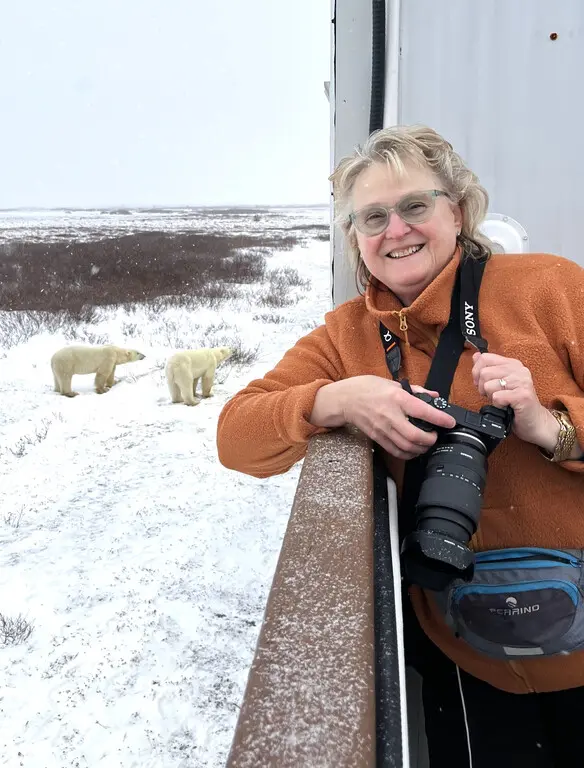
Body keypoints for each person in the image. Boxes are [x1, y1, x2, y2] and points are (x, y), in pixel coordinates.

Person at [216, 124, 584, 767]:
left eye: (415, 205)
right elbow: (236, 437)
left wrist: (549, 425)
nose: (396, 230)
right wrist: (336, 400)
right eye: (373, 217)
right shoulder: (347, 336)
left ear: (460, 209)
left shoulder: (549, 288)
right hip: (465, 653)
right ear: (355, 237)